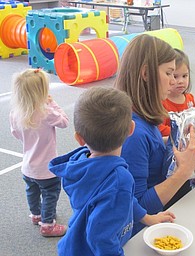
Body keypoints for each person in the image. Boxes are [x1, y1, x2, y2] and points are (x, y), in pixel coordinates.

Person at [49, 87, 176, 256]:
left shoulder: (79, 163)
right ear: (131, 129)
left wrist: (147, 218)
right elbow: (100, 238)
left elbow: (126, 198)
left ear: (79, 139)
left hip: (74, 246)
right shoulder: (119, 179)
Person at [114, 34, 195, 235]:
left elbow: (150, 148)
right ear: (146, 73)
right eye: (169, 73)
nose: (174, 82)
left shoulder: (142, 114)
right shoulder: (133, 132)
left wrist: (177, 140)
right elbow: (137, 209)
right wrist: (184, 171)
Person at [9, 68, 69, 237]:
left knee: (32, 191)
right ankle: (48, 225)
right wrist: (52, 103)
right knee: (50, 194)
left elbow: (16, 134)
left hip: (28, 167)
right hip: (46, 169)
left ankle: (36, 215)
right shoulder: (46, 112)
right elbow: (64, 121)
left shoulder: (15, 114)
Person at [158, 48, 195, 137]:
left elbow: (194, 120)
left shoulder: (190, 98)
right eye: (175, 76)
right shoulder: (162, 102)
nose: (181, 81)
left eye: (184, 76)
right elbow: (159, 129)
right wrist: (181, 131)